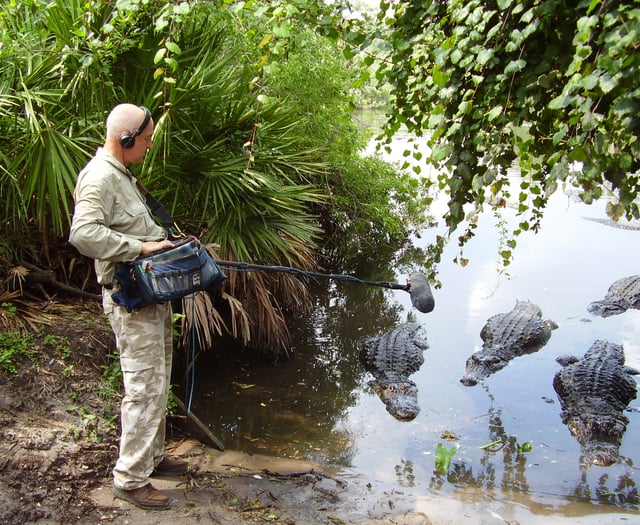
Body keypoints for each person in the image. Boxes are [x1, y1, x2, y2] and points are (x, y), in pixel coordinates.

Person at [69, 103, 188, 510]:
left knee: (159, 380)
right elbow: (84, 234)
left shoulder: (122, 175)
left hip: (150, 295)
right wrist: (140, 247)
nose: (150, 145)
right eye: (148, 139)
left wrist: (168, 243)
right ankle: (130, 478)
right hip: (129, 299)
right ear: (125, 138)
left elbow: (136, 226)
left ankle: (152, 458)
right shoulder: (100, 177)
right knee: (142, 388)